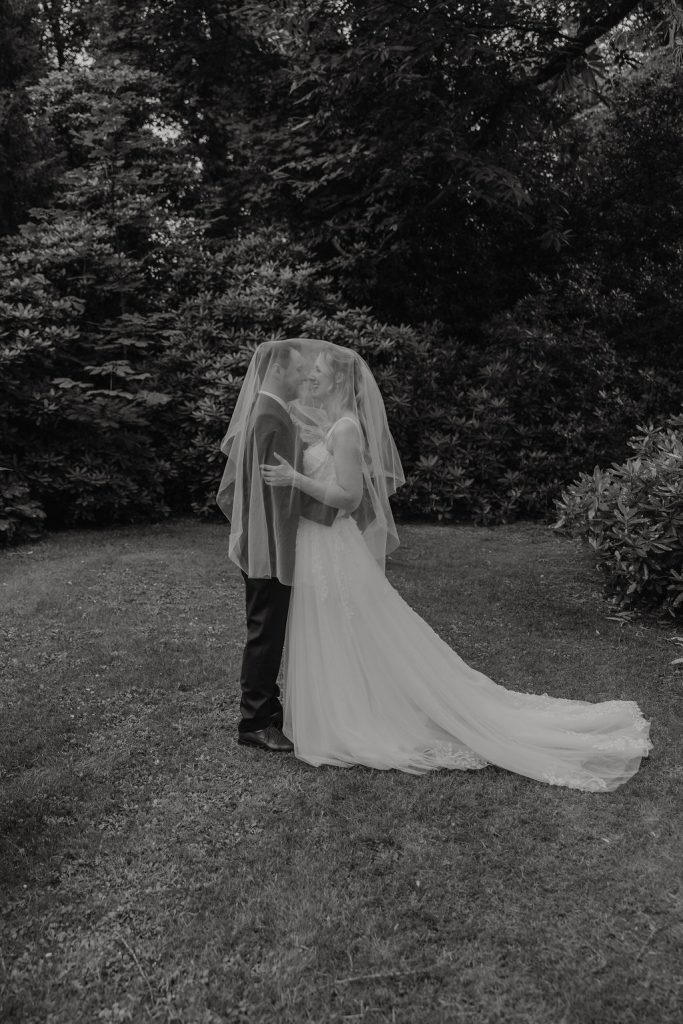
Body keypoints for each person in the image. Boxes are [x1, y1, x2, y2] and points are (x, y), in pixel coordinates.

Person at [253, 338, 652, 791]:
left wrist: (295, 477)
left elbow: (349, 498)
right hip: (321, 547)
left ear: (340, 379)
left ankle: (352, 716)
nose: (310, 377)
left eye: (319, 372)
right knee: (337, 629)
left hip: (333, 547)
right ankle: (333, 709)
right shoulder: (330, 426)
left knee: (350, 628)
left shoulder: (346, 430)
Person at [216, 341, 336, 752]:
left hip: (263, 540)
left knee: (267, 627)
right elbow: (276, 494)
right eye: (299, 371)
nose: (304, 378)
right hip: (269, 545)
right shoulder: (270, 416)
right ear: (276, 371)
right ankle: (253, 721)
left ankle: (267, 709)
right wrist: (331, 511)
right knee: (266, 632)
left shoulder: (270, 412)